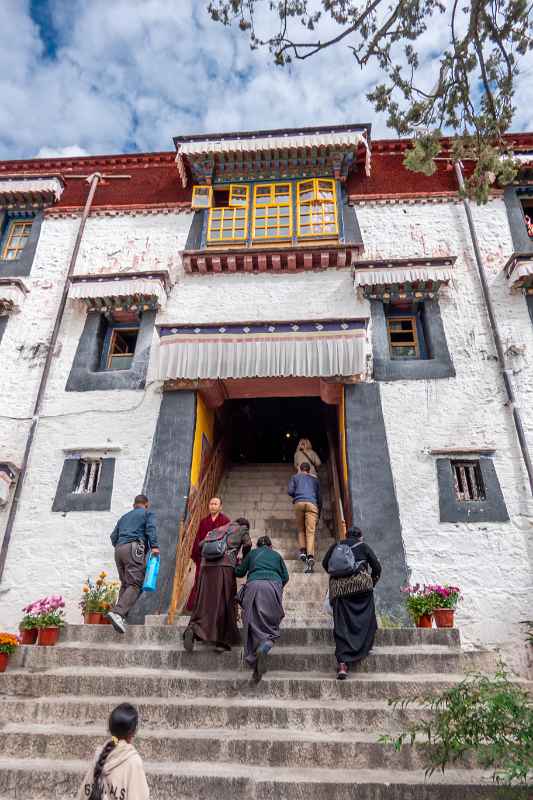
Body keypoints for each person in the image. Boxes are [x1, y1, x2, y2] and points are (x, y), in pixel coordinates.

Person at [183, 517, 252, 652]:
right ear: (245, 525)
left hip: (206, 568)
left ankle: (193, 629)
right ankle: (222, 641)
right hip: (224, 567)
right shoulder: (242, 529)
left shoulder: (217, 529)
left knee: (204, 602)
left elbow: (201, 544)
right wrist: (243, 558)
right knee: (224, 601)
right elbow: (248, 544)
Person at [322, 526, 382, 681]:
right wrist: (372, 581)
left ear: (346, 535)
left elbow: (324, 563)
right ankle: (364, 647)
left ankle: (342, 665)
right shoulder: (363, 546)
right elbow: (377, 567)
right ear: (360, 537)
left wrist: (338, 574)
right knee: (366, 617)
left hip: (340, 590)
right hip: (361, 587)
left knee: (341, 625)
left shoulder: (337, 546)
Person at [235, 535, 289, 682]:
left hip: (254, 586)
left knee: (251, 623)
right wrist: (277, 589)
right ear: (270, 546)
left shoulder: (252, 554)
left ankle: (254, 658)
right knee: (272, 626)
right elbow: (285, 576)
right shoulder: (276, 555)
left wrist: (235, 561)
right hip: (273, 586)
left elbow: (239, 572)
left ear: (257, 546)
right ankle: (264, 646)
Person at [107, 494, 159, 635]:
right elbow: (151, 529)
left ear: (133, 505)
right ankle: (118, 613)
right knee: (135, 584)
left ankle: (120, 617)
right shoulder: (148, 513)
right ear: (146, 504)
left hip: (119, 550)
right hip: (133, 549)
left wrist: (122, 544)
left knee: (126, 584)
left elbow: (113, 537)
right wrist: (154, 546)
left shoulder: (124, 517)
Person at [77, 702, 149, 800]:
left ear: (111, 729)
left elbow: (82, 795)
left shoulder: (101, 754)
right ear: (133, 733)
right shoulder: (133, 762)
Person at [186, 497, 230, 612]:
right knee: (200, 580)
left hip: (218, 556)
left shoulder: (225, 521)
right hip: (204, 556)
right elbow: (198, 538)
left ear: (220, 507)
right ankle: (197, 606)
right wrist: (197, 553)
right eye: (211, 504)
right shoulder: (203, 521)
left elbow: (227, 539)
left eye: (215, 504)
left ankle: (214, 607)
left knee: (215, 582)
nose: (213, 506)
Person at [287, 462, 321, 573]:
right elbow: (319, 497)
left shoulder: (295, 477)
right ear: (309, 470)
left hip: (299, 503)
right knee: (310, 531)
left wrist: (298, 494)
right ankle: (310, 556)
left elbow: (290, 491)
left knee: (301, 529)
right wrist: (318, 512)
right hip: (312, 504)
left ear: (300, 469)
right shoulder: (315, 480)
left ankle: (302, 551)